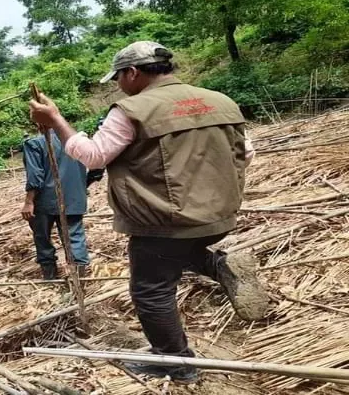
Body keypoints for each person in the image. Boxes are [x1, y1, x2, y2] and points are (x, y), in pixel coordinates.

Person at [28, 40, 269, 382]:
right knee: (178, 252)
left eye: (118, 78)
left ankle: (177, 364)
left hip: (164, 219)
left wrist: (55, 120)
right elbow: (245, 155)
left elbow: (94, 156)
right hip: (218, 215)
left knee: (151, 291)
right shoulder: (221, 101)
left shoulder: (132, 110)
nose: (118, 85)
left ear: (133, 72)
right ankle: (219, 263)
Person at [21, 130, 91, 280]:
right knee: (74, 237)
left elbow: (35, 176)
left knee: (42, 237)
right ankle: (79, 281)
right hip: (74, 199)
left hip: (45, 200)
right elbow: (97, 167)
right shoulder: (78, 141)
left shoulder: (35, 144)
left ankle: (50, 277)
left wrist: (28, 202)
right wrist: (81, 186)